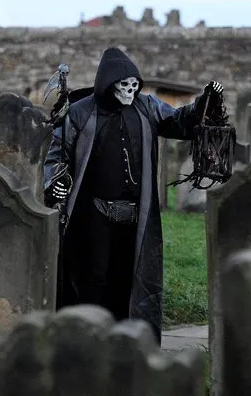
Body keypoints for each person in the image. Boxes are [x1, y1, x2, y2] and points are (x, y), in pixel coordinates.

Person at [42, 46, 223, 343]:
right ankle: (85, 341)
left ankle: (130, 344)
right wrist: (56, 182)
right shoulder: (80, 112)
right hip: (92, 215)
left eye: (134, 86)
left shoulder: (147, 107)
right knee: (91, 278)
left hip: (136, 216)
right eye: (124, 86)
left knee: (130, 280)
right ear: (108, 84)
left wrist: (206, 101)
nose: (130, 91)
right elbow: (56, 156)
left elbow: (179, 122)